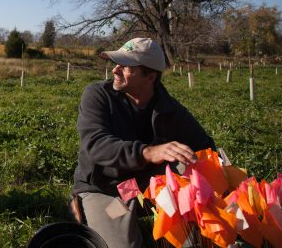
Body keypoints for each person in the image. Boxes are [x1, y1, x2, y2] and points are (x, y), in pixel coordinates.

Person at [71, 38, 215, 248]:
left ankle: (188, 232)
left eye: (126, 66)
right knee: (123, 245)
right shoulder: (97, 95)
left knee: (192, 164)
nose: (115, 70)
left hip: (144, 189)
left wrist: (228, 185)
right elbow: (96, 145)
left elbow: (207, 150)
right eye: (116, 64)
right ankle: (86, 208)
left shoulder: (171, 110)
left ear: (150, 76)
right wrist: (147, 152)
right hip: (106, 190)